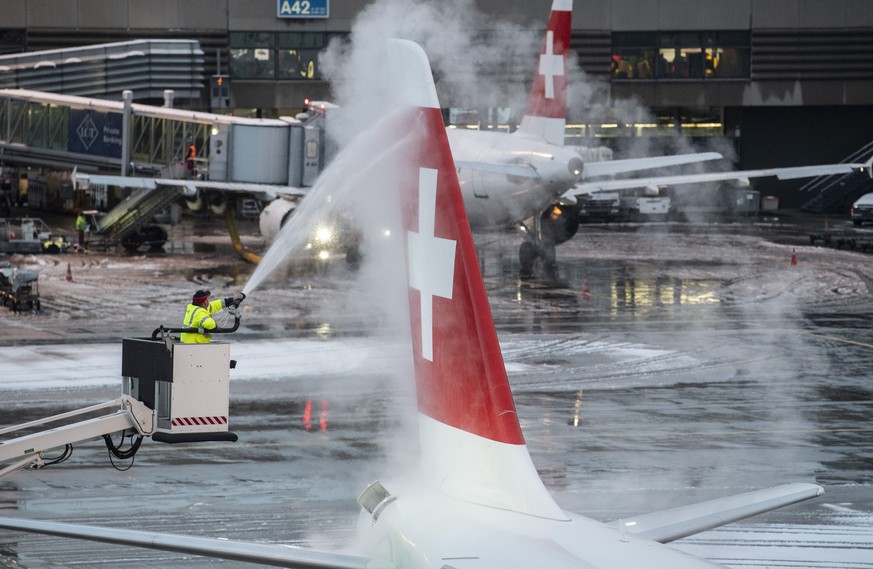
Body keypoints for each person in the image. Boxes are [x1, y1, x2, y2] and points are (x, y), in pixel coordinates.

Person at [181, 289, 245, 344]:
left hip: (189, 343)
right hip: (193, 345)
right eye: (207, 299)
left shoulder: (193, 307)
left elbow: (216, 304)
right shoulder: (199, 312)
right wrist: (215, 325)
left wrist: (233, 299)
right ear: (204, 302)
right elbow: (209, 324)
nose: (208, 301)